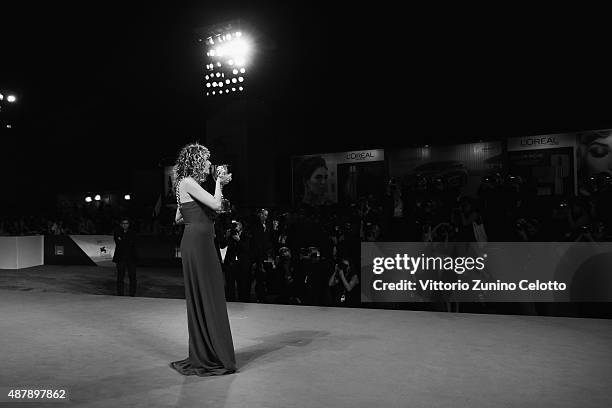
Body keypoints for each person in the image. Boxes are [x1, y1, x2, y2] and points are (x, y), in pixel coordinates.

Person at [169, 142, 236, 377]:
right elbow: (217, 205)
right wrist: (219, 183)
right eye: (207, 160)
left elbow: (178, 217)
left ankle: (208, 351)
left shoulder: (186, 185)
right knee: (208, 294)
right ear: (197, 161)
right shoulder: (187, 182)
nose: (210, 164)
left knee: (206, 294)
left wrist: (195, 211)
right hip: (198, 245)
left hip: (197, 242)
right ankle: (209, 354)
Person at [112, 217, 138, 297]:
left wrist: (124, 241)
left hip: (131, 258)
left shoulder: (133, 233)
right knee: (120, 276)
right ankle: (120, 293)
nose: (125, 225)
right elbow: (119, 243)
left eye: (126, 223)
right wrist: (126, 242)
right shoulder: (117, 232)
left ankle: (132, 294)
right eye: (123, 223)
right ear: (121, 225)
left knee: (132, 276)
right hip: (120, 258)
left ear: (129, 225)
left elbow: (132, 243)